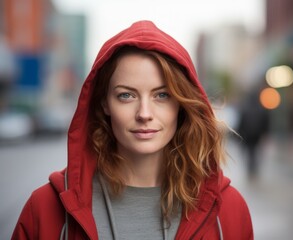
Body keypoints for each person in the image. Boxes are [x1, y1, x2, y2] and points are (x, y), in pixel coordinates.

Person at [12, 20, 253, 240]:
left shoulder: (229, 210)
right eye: (126, 95)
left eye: (162, 95)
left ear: (181, 104)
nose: (144, 113)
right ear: (104, 103)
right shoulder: (44, 208)